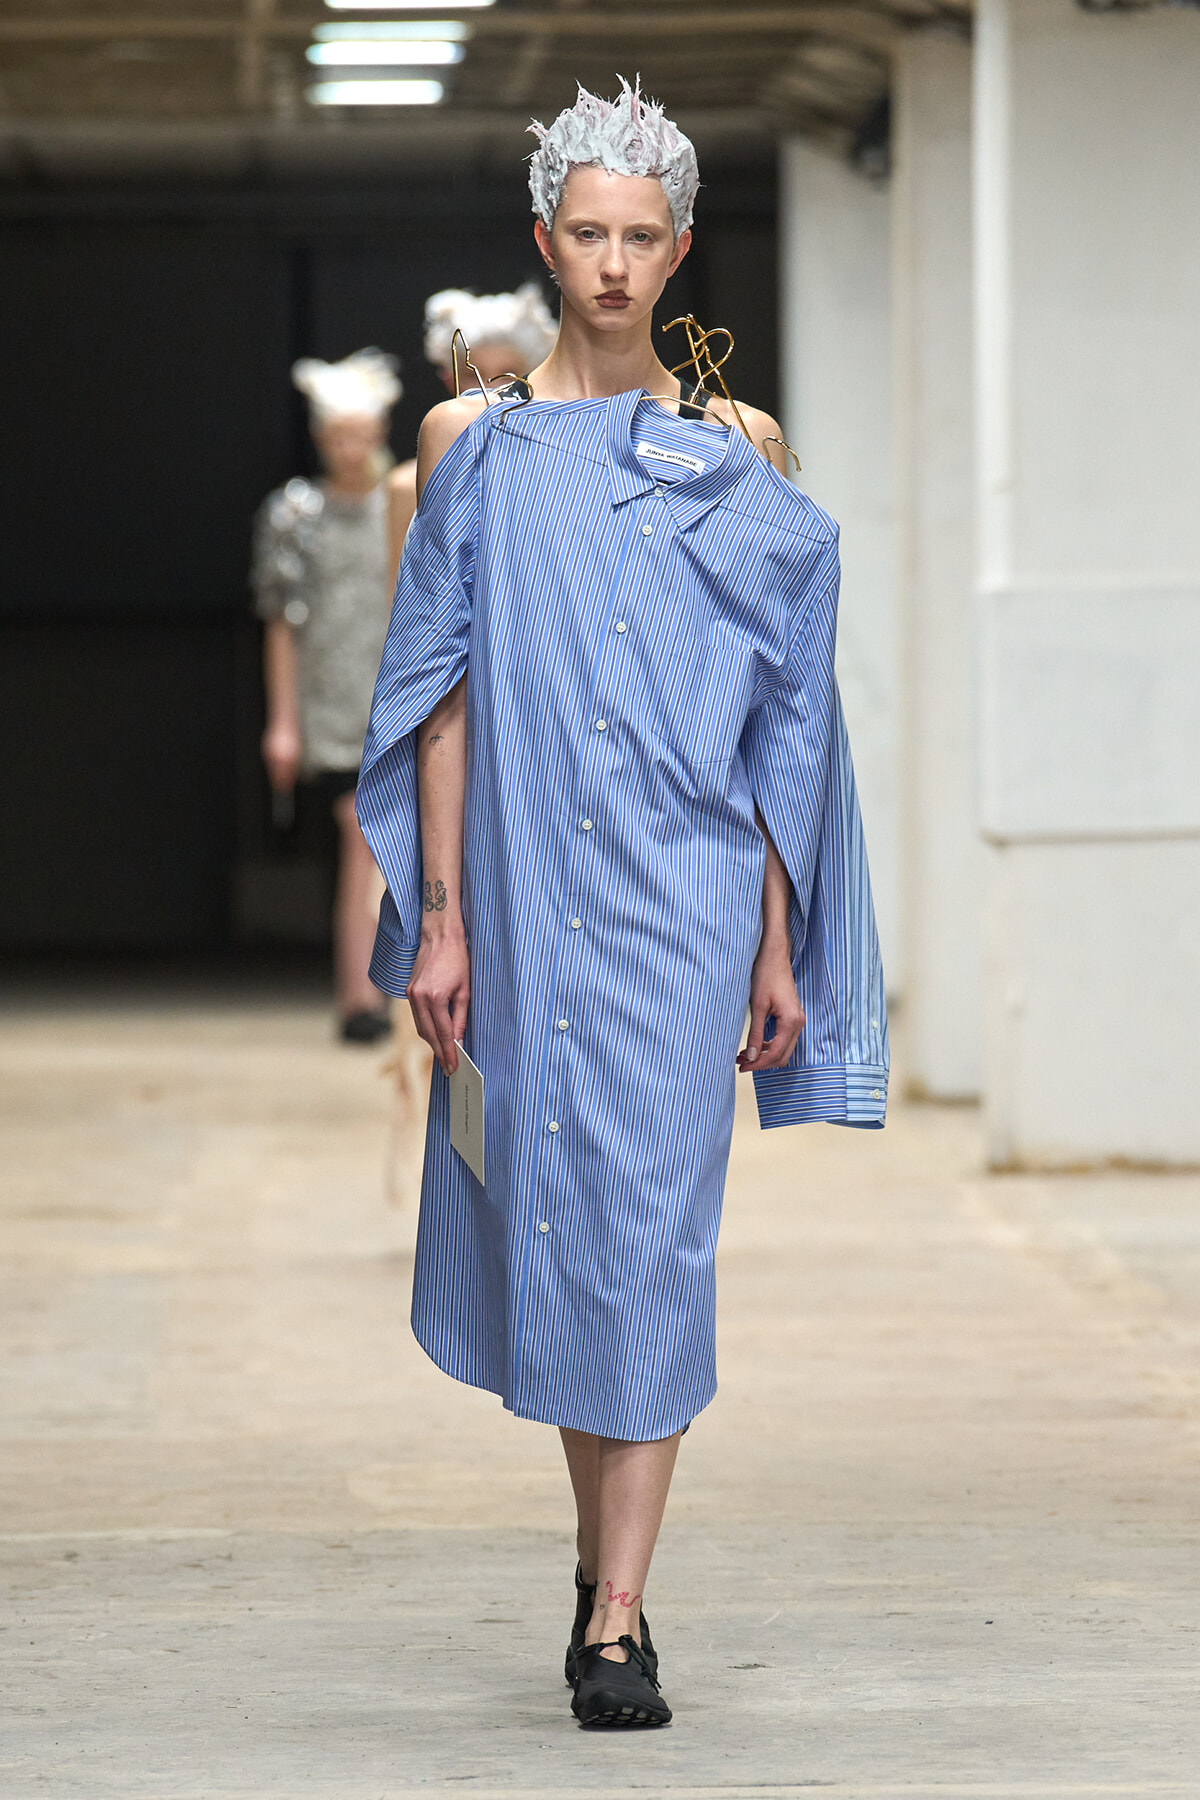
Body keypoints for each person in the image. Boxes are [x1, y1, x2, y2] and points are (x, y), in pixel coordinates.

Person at [357, 79, 889, 1726]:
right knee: (563, 1237)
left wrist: (786, 940)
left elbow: (786, 720)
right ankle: (602, 1564)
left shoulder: (742, 453)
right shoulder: (478, 449)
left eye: (636, 236)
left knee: (652, 1238)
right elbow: (436, 699)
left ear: (676, 253)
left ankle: (617, 1618)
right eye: (582, 234)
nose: (607, 262)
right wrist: (439, 917)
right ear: (544, 243)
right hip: (523, 904)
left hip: (689, 894)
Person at [252, 348, 401, 1044]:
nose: (352, 448)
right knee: (361, 837)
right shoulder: (295, 512)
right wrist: (283, 722)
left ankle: (388, 995)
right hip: (334, 704)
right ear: (320, 438)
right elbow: (282, 620)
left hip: (402, 690)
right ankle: (360, 996)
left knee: (395, 844)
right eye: (340, 436)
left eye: (363, 434)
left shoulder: (405, 499)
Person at [385, 283, 557, 579]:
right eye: (472, 374)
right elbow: (403, 598)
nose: (488, 390)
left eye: (506, 374)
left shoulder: (561, 470)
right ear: (448, 378)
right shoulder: (405, 487)